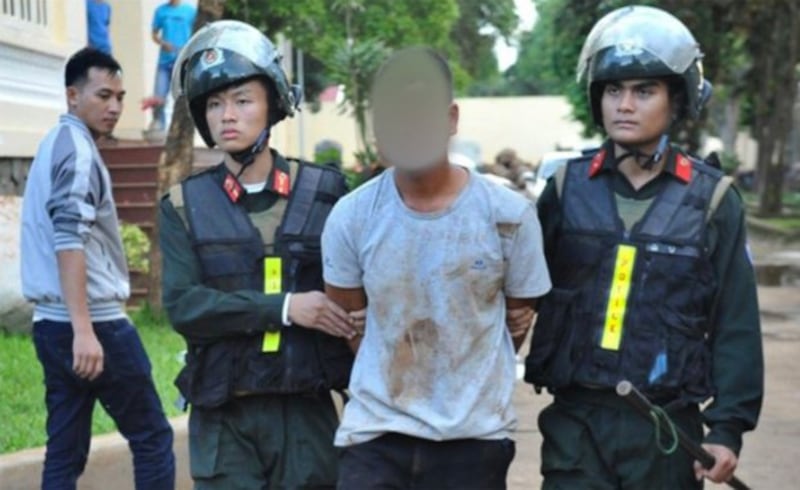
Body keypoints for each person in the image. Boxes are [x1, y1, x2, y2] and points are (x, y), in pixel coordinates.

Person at [525, 6, 763, 489]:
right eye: (613, 90)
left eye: (643, 91)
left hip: (666, 433)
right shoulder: (566, 188)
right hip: (577, 427)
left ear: (676, 100)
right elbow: (514, 289)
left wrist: (727, 428)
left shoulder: (713, 200)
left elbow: (734, 323)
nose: (624, 105)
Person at [323, 47, 552, 490]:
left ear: (450, 119)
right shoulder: (351, 216)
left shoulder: (508, 217)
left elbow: (515, 322)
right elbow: (352, 323)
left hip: (474, 441)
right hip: (375, 436)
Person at [160, 20, 358, 489]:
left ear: (273, 105)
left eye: (242, 100)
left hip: (306, 412)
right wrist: (288, 308)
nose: (226, 114)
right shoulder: (183, 206)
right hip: (225, 418)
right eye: (213, 102)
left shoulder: (327, 195)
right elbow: (186, 306)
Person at [20, 48, 175, 490]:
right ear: (72, 95)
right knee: (152, 438)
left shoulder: (55, 143)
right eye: (103, 95)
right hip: (95, 326)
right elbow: (68, 240)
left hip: (51, 325)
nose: (114, 107)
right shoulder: (79, 153)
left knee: (64, 452)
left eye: (121, 97)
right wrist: (84, 330)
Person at [149, 0, 195, 131]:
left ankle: (182, 130)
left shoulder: (190, 11)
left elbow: (195, 33)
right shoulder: (160, 11)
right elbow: (154, 34)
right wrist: (163, 43)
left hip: (183, 61)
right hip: (164, 61)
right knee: (159, 97)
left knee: (183, 97)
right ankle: (159, 128)